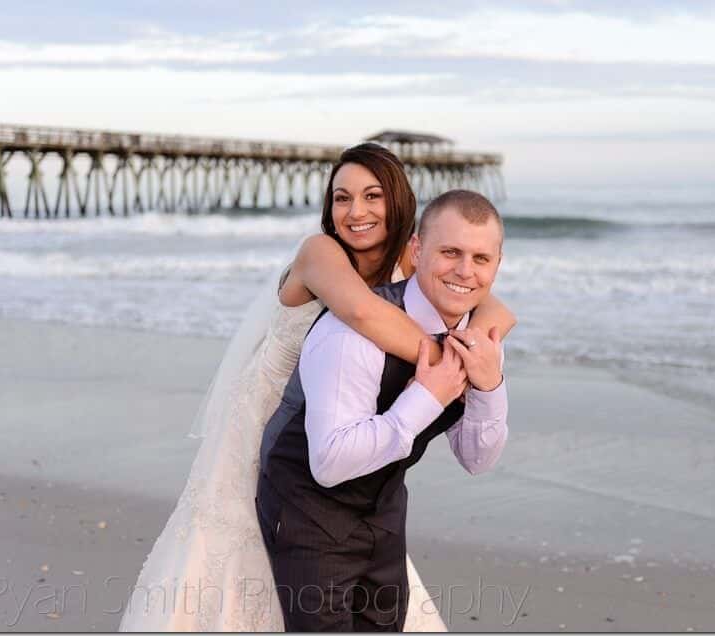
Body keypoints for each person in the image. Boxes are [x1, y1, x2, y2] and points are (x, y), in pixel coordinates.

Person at [118, 146, 515, 631]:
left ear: (400, 207)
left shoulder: (422, 266)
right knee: (239, 557)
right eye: (341, 198)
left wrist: (483, 355)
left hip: (348, 441)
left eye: (373, 197)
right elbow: (364, 314)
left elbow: (494, 306)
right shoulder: (320, 253)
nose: (356, 211)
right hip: (266, 423)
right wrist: (449, 365)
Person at [256, 189, 509, 631]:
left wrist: (490, 386)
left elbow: (477, 459)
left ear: (497, 266)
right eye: (450, 252)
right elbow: (329, 464)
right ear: (416, 249)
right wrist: (426, 398)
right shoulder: (349, 334)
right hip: (306, 507)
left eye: (481, 258)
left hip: (384, 509)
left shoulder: (479, 342)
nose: (465, 271)